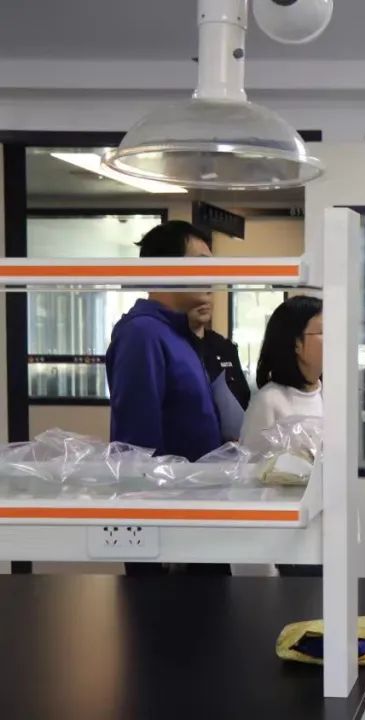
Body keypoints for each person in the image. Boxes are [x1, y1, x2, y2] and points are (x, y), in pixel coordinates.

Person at [105, 220, 227, 576]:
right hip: (169, 528)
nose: (212, 276)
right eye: (201, 263)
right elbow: (136, 444)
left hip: (197, 516)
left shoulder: (178, 334)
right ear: (165, 268)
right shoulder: (142, 334)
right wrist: (160, 527)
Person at [239, 295, 323, 454]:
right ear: (296, 342)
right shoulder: (268, 402)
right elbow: (251, 465)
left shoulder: (332, 396)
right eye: (323, 331)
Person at [189, 302, 251, 433]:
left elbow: (243, 395)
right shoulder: (168, 346)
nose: (205, 299)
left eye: (209, 293)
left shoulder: (224, 347)